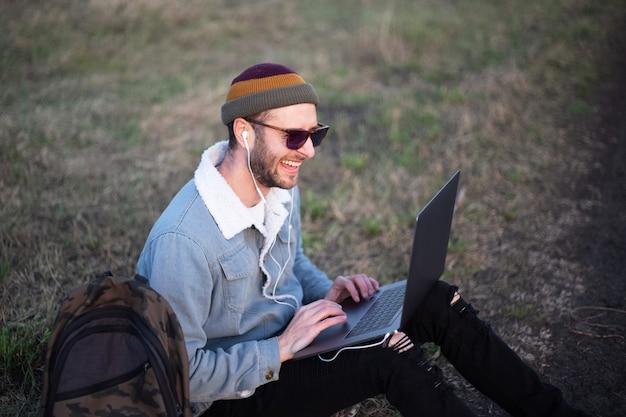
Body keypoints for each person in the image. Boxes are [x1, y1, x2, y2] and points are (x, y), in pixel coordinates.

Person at [136, 63, 588, 417]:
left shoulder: (273, 180)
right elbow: (183, 376)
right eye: (294, 136)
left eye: (315, 135)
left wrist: (326, 291)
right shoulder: (183, 242)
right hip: (229, 399)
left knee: (433, 298)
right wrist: (282, 347)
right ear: (244, 131)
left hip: (292, 345)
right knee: (387, 356)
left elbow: (292, 261)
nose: (308, 151)